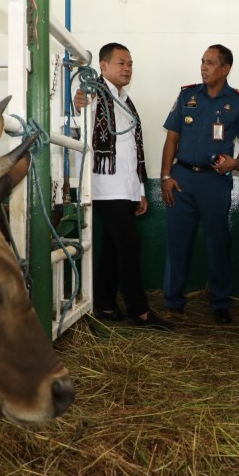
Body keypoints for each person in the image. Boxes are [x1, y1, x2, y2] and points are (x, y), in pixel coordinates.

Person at [160, 44, 239, 324]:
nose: (203, 67)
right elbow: (172, 139)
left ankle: (221, 303)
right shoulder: (187, 95)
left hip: (215, 182)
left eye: (210, 63)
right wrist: (165, 176)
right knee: (177, 243)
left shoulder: (238, 103)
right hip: (182, 178)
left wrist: (237, 163)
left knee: (218, 243)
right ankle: (173, 302)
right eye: (202, 61)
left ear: (225, 69)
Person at [90, 42, 172, 330]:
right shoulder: (92, 95)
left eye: (130, 64)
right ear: (103, 66)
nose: (127, 68)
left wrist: (139, 191)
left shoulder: (125, 100)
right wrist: (77, 102)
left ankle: (105, 304)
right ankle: (139, 311)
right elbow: (76, 122)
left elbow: (132, 151)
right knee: (129, 243)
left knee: (113, 246)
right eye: (121, 63)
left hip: (124, 187)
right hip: (104, 185)